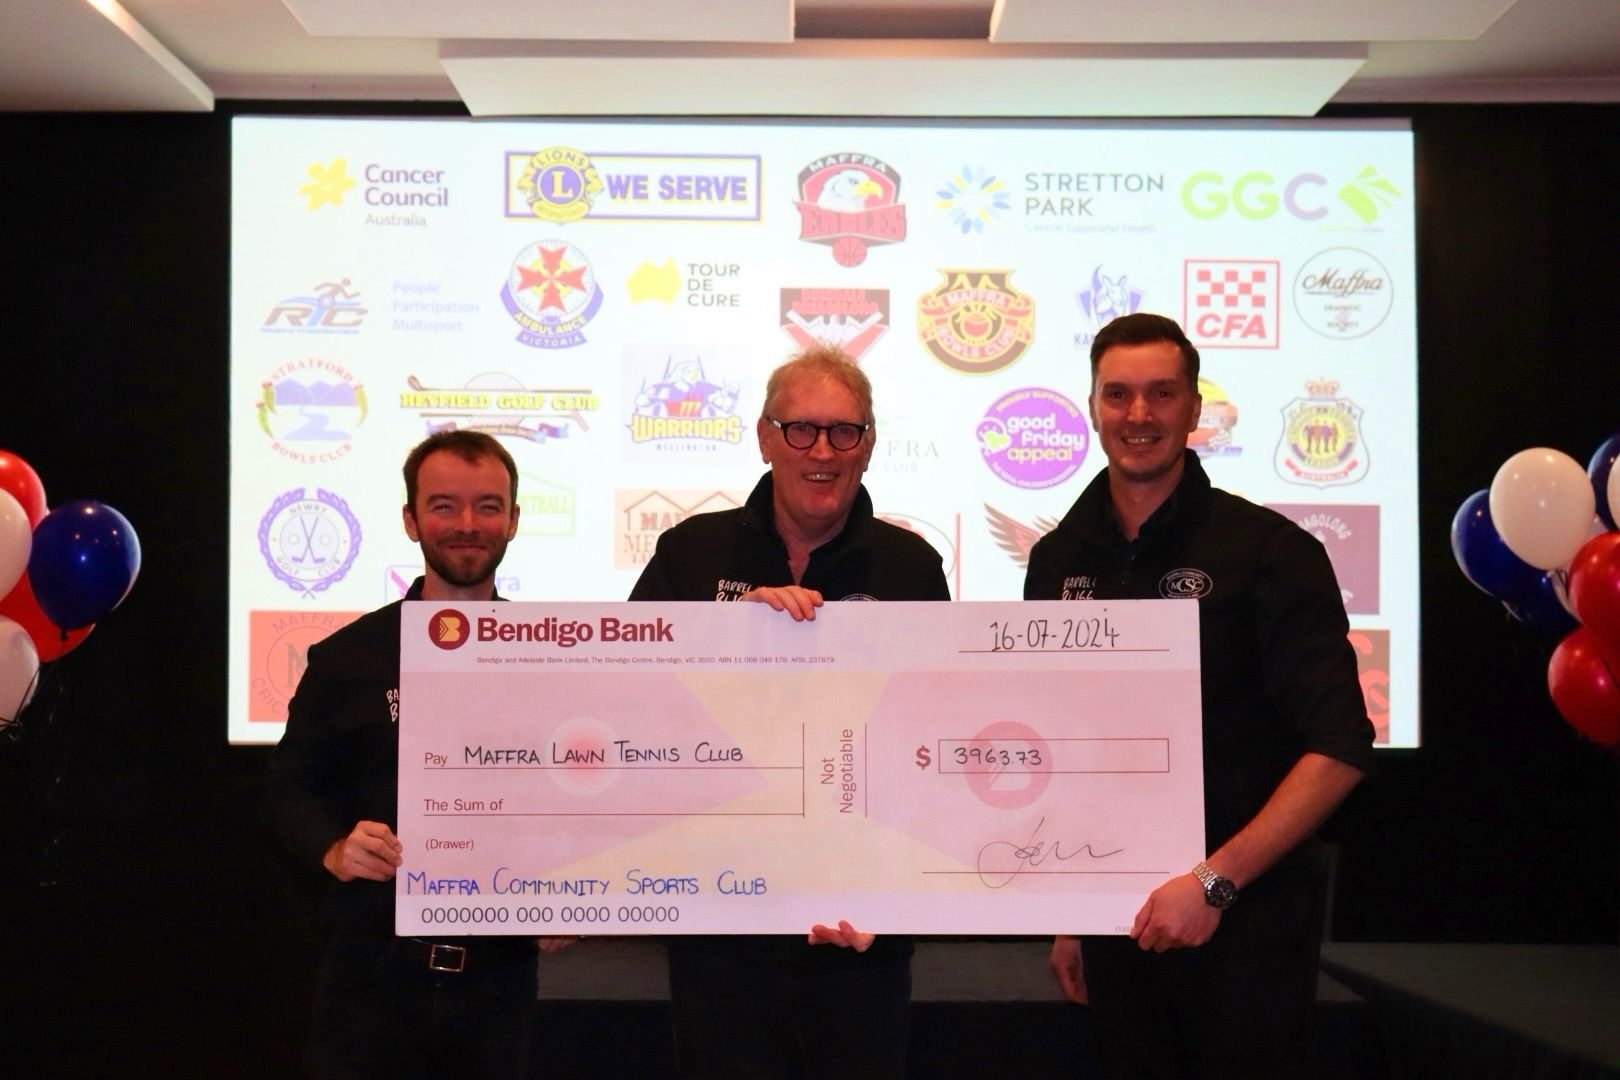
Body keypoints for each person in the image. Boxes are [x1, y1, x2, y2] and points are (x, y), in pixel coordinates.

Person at [1024, 313, 1375, 1079]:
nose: (1138, 415)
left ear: (1192, 408)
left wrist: (1214, 884)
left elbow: (1340, 747)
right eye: (1118, 394)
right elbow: (1063, 746)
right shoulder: (1056, 560)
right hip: (1118, 926)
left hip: (1246, 927)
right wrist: (1070, 914)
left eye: (1161, 394)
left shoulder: (1270, 553)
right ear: (1091, 407)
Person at [630, 343, 950, 1079]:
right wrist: (723, 637)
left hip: (858, 930)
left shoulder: (911, 567)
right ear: (766, 437)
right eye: (801, 429)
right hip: (721, 927)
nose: (823, 451)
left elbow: (931, 743)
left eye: (846, 432)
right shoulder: (690, 552)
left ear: (868, 446)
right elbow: (634, 707)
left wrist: (897, 896)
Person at [263, 429, 560, 1079]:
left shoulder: (552, 658)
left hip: (499, 985)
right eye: (444, 505)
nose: (466, 525)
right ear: (410, 519)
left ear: (513, 520)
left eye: (487, 506)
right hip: (371, 979)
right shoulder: (349, 657)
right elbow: (288, 788)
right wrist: (333, 846)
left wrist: (576, 895)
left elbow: (584, 799)